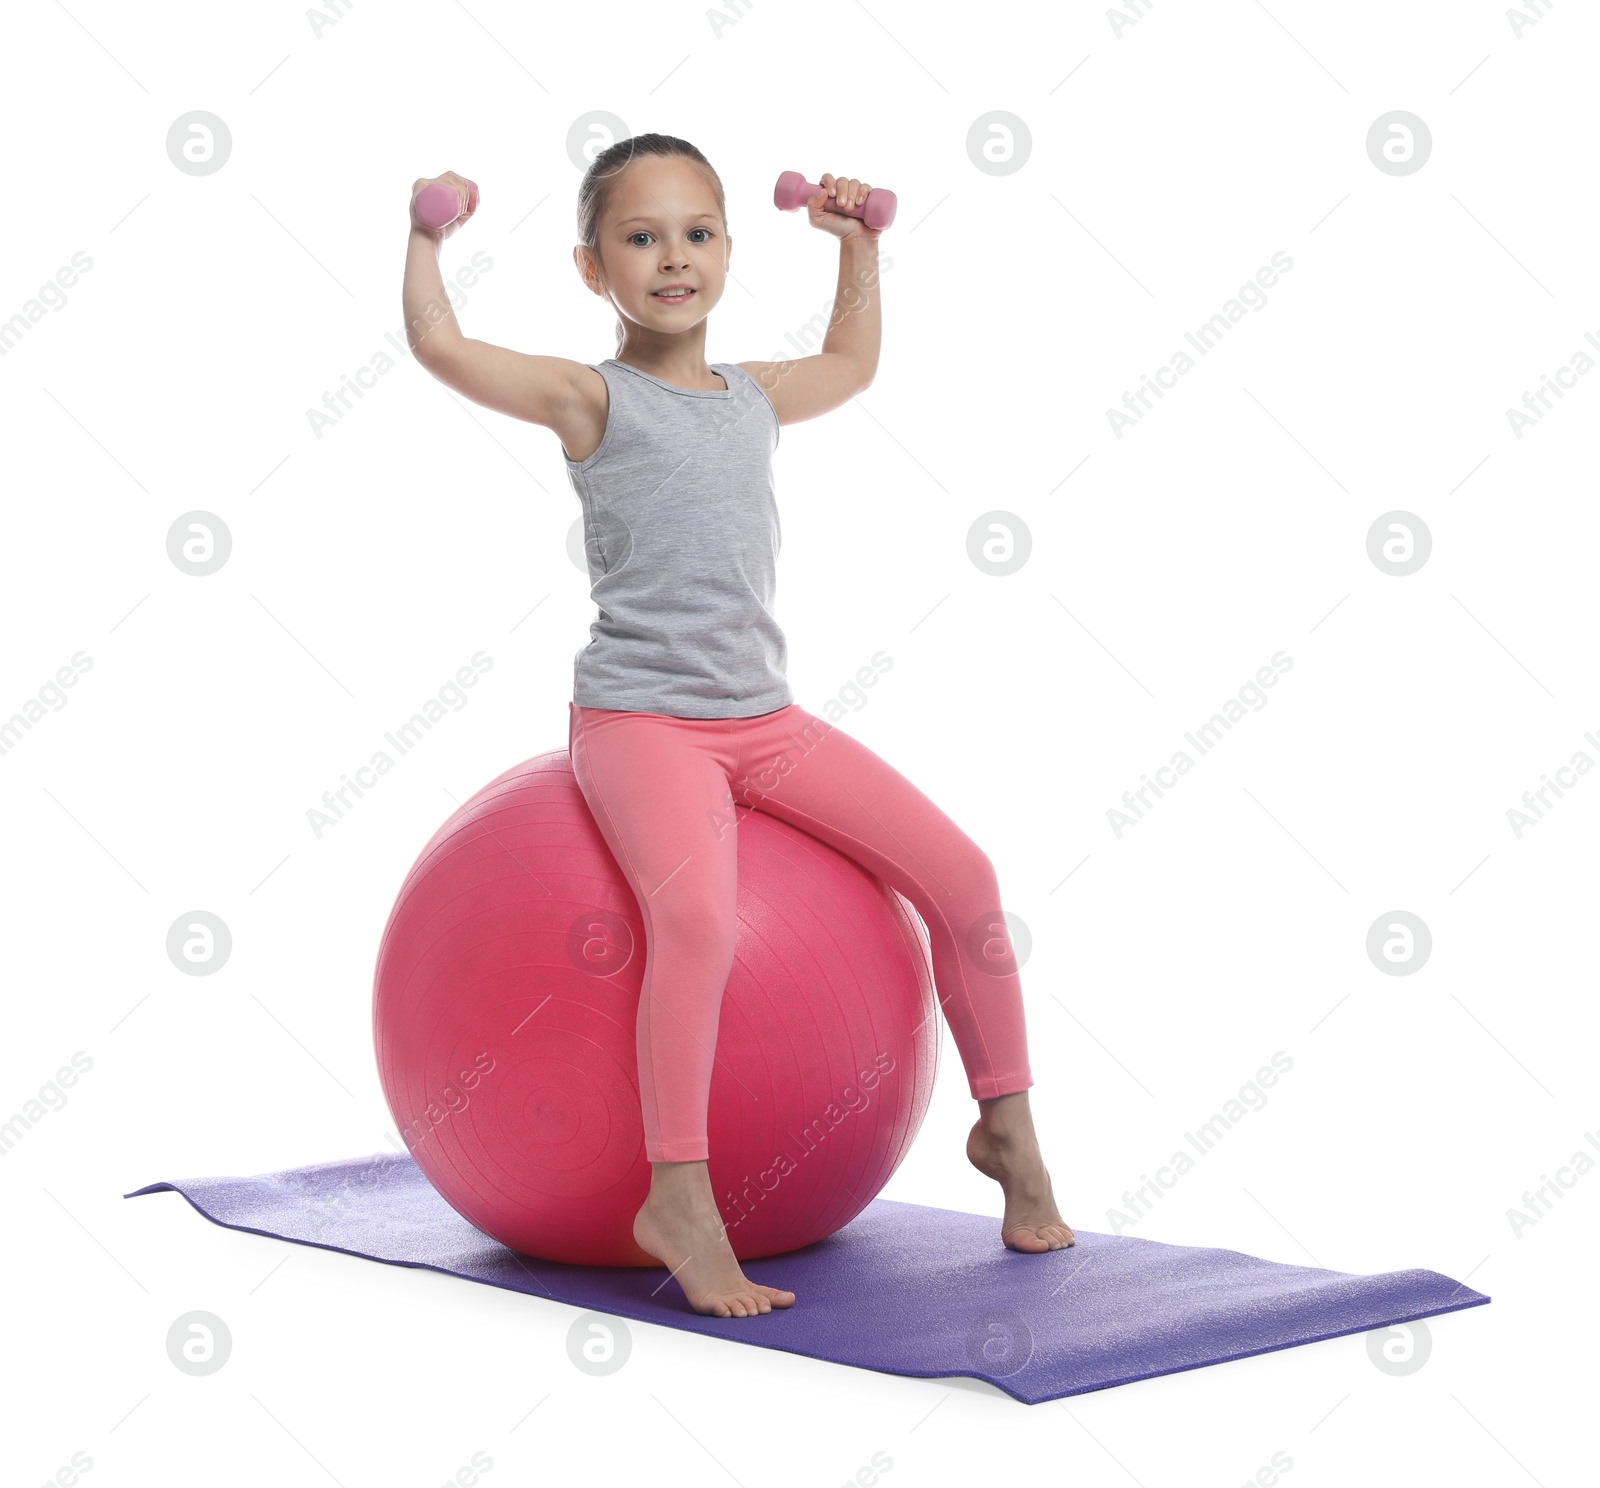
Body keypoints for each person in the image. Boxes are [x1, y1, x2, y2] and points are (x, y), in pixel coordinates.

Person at [401, 133, 1073, 1319]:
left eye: (698, 234)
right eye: (641, 238)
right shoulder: (588, 395)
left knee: (964, 875)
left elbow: (851, 361)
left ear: (726, 250)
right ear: (591, 268)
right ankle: (680, 1196)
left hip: (762, 723)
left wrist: (855, 245)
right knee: (698, 921)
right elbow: (440, 345)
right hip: (641, 725)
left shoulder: (754, 399)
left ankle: (1007, 1135)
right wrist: (427, 239)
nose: (674, 258)